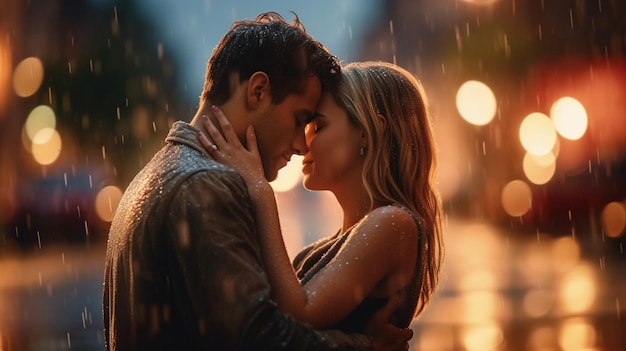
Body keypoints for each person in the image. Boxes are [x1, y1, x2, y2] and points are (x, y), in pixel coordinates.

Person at [102, 12, 411, 351]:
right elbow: (259, 338)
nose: (300, 143)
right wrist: (366, 345)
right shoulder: (208, 185)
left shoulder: (153, 174)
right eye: (300, 120)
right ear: (259, 91)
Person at [199, 61, 444, 335]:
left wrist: (260, 190)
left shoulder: (393, 222)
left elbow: (300, 314)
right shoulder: (337, 242)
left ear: (367, 131)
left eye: (318, 127)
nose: (303, 144)